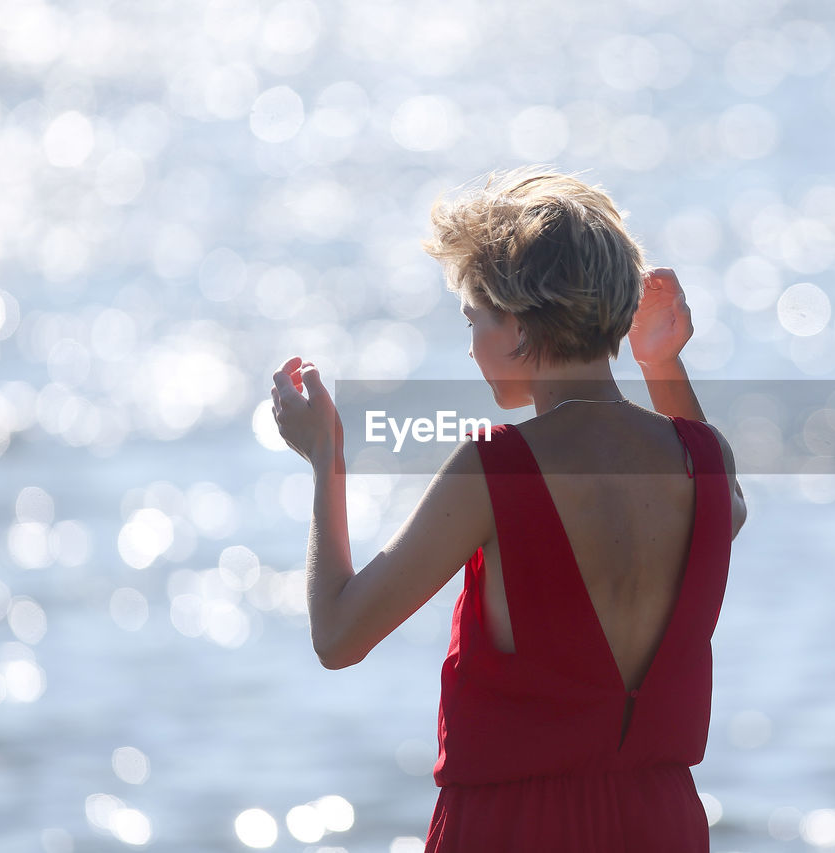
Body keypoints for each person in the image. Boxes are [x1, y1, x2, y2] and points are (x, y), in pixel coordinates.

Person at [270, 169, 747, 852]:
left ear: (519, 324)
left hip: (517, 829)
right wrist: (661, 364)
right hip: (661, 821)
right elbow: (725, 509)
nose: (470, 347)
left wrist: (326, 457)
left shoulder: (498, 471)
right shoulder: (702, 461)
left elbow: (338, 634)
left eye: (475, 320)